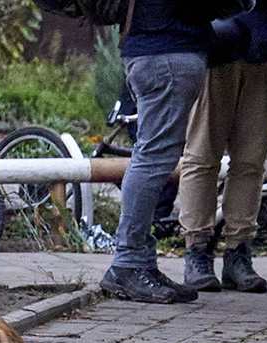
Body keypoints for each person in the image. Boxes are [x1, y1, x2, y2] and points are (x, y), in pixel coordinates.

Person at [99, 2, 211, 305]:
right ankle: (128, 263)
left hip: (162, 48)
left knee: (153, 157)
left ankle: (140, 261)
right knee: (151, 159)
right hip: (164, 50)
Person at [175, 0, 267, 294]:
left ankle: (239, 251)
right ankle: (197, 251)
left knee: (252, 160)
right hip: (216, 39)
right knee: (202, 153)